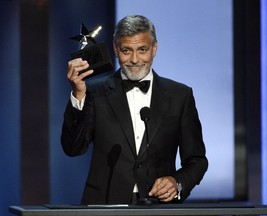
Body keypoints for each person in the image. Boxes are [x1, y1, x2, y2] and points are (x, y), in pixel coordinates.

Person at [61, 15, 208, 205]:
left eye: (143, 50)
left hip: (158, 207)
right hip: (104, 205)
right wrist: (78, 95)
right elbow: (73, 148)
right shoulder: (94, 92)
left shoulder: (180, 95)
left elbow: (197, 160)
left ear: (154, 49)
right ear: (116, 50)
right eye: (126, 50)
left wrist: (177, 183)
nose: (135, 59)